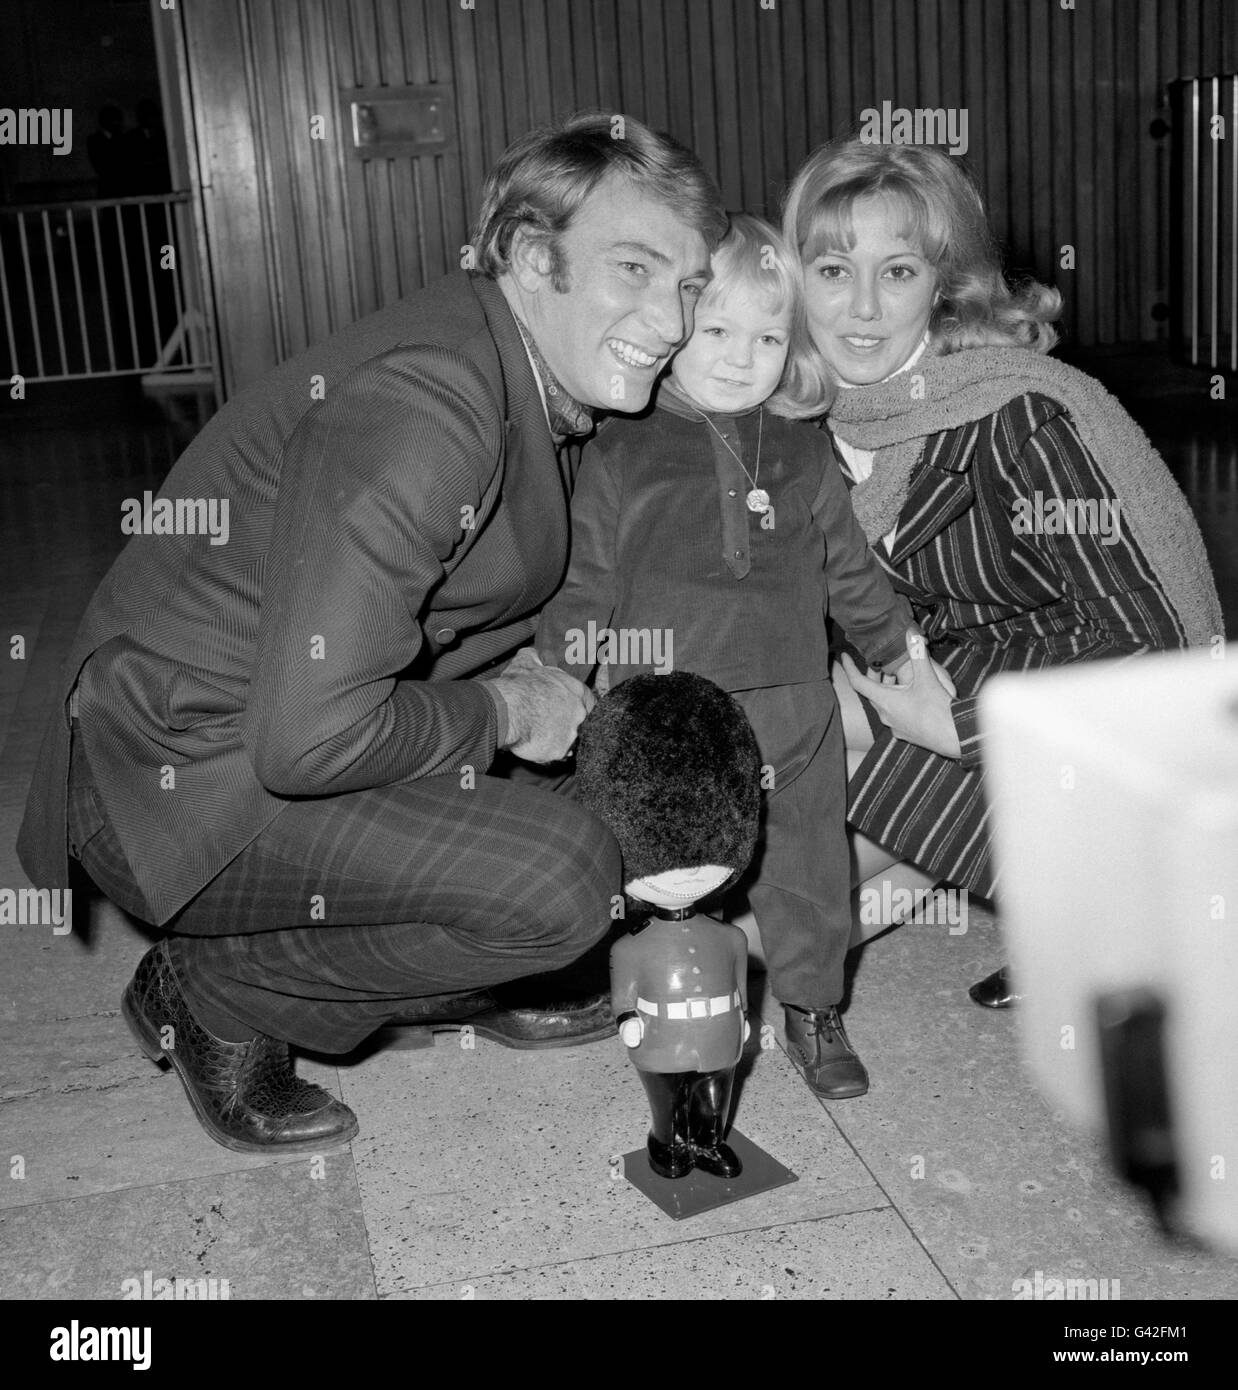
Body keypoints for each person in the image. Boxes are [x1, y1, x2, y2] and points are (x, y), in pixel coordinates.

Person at [16, 112, 726, 1154]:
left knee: (616, 782)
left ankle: (469, 967)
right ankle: (211, 989)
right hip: (179, 782)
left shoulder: (522, 368)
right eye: (634, 268)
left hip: (263, 734)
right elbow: (308, 736)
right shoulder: (432, 401)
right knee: (559, 881)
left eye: (690, 286)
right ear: (532, 259)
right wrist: (502, 708)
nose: (668, 320)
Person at [780, 136, 1224, 1005]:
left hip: (1089, 731)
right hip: (946, 689)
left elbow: (1158, 647)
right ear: (793, 280)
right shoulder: (813, 418)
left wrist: (953, 725)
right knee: (774, 872)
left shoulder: (1016, 415)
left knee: (770, 918)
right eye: (833, 271)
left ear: (944, 287)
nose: (862, 308)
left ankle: (1114, 906)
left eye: (898, 271)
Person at [537, 214, 943, 1099]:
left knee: (808, 870)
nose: (738, 356)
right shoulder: (620, 449)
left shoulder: (800, 447)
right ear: (675, 328)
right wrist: (558, 677)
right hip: (671, 715)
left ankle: (811, 1008)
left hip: (795, 708)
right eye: (716, 330)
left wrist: (897, 652)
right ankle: (646, 994)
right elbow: (586, 585)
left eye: (766, 336)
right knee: (656, 871)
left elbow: (850, 570)